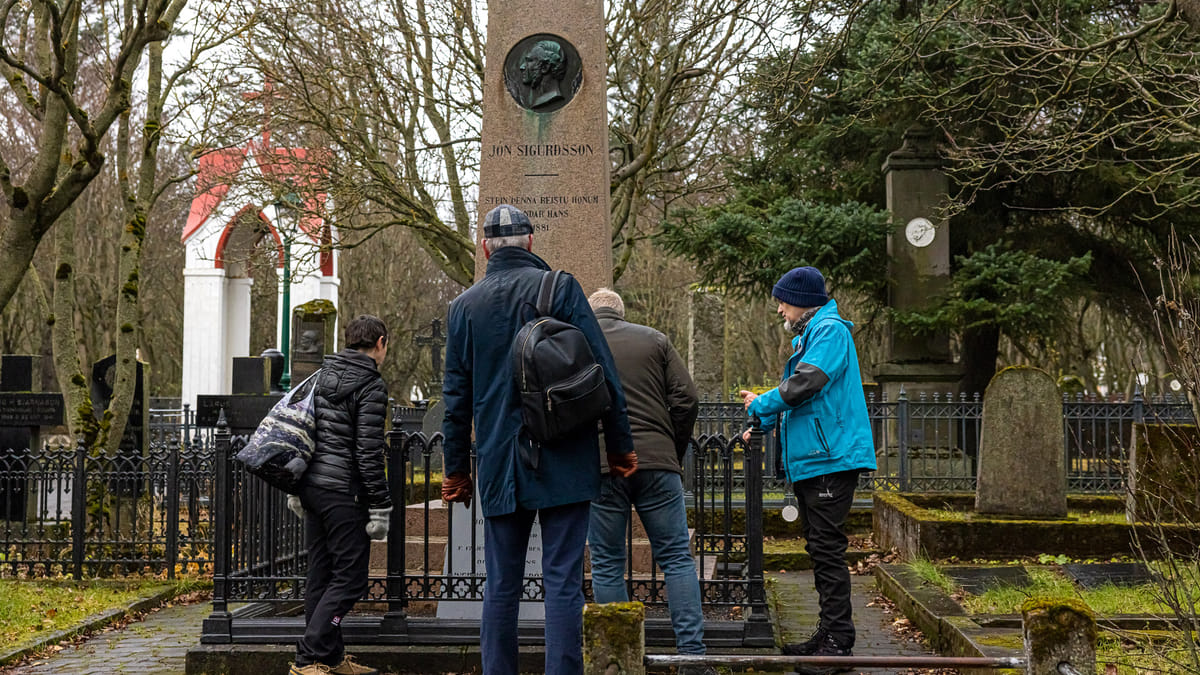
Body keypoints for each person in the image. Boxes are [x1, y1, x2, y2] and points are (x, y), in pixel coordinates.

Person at [440, 204, 637, 675]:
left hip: (502, 461)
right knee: (563, 580)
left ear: (485, 248)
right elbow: (602, 372)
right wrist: (619, 444)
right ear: (530, 242)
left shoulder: (464, 307)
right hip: (565, 452)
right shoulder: (560, 288)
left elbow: (456, 400)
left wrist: (456, 471)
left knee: (501, 583)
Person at [739, 267, 875, 675]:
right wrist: (760, 422)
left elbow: (806, 385)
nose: (780, 309)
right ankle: (829, 633)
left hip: (831, 459)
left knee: (827, 550)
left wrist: (762, 403)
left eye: (783, 302)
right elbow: (801, 400)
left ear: (802, 302)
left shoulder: (830, 331)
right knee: (819, 548)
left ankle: (839, 643)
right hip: (818, 459)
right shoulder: (813, 335)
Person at [586, 288, 714, 675]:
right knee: (676, 558)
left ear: (591, 313)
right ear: (621, 313)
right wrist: (670, 447)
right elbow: (687, 398)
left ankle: (617, 659)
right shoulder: (654, 340)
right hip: (657, 463)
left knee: (607, 563)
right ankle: (692, 656)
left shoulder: (580, 343)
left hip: (603, 464)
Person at [286, 315, 393, 675]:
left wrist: (296, 488)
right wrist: (380, 504)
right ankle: (308, 657)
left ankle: (328, 659)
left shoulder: (320, 376)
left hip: (312, 488)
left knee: (321, 572)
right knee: (350, 578)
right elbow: (368, 452)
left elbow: (303, 431)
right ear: (380, 343)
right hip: (344, 492)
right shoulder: (371, 385)